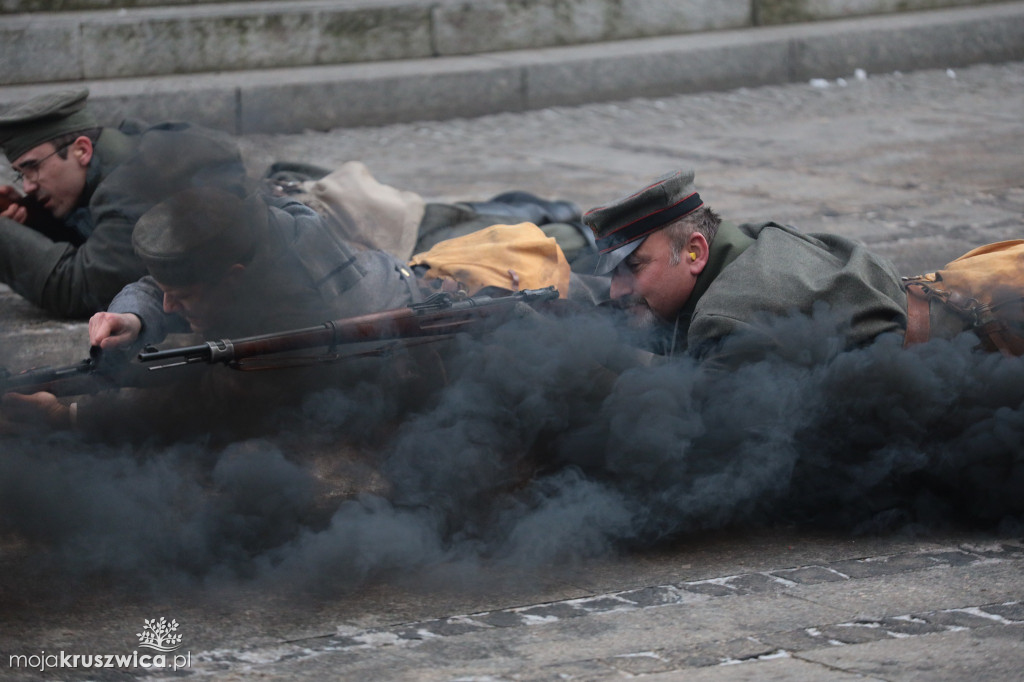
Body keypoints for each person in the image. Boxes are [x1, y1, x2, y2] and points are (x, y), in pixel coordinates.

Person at [2, 186, 425, 442]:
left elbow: (207, 402)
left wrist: (69, 417)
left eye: (183, 297)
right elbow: (156, 287)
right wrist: (133, 319)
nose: (170, 307)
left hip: (396, 297)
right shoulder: (235, 243)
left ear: (234, 279)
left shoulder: (293, 307)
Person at [582, 168, 948, 366]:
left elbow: (695, 405)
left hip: (951, 366)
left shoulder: (731, 316)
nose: (618, 289)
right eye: (613, 274)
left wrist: (618, 361)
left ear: (695, 253)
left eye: (634, 267)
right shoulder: (744, 243)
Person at [0, 88, 250, 318]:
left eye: (33, 167)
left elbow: (81, 290)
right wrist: (35, 221)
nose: (28, 187)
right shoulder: (126, 146)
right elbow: (99, 234)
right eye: (21, 174)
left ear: (82, 150)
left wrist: (5, 236)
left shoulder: (130, 188)